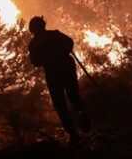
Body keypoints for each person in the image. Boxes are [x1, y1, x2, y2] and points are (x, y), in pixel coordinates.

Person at [27, 16, 90, 144]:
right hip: (65, 67)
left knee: (60, 104)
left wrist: (45, 56)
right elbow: (69, 43)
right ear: (43, 25)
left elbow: (36, 62)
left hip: (53, 72)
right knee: (72, 95)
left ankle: (74, 134)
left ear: (32, 30)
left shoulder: (33, 44)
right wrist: (61, 52)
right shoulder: (55, 34)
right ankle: (83, 117)